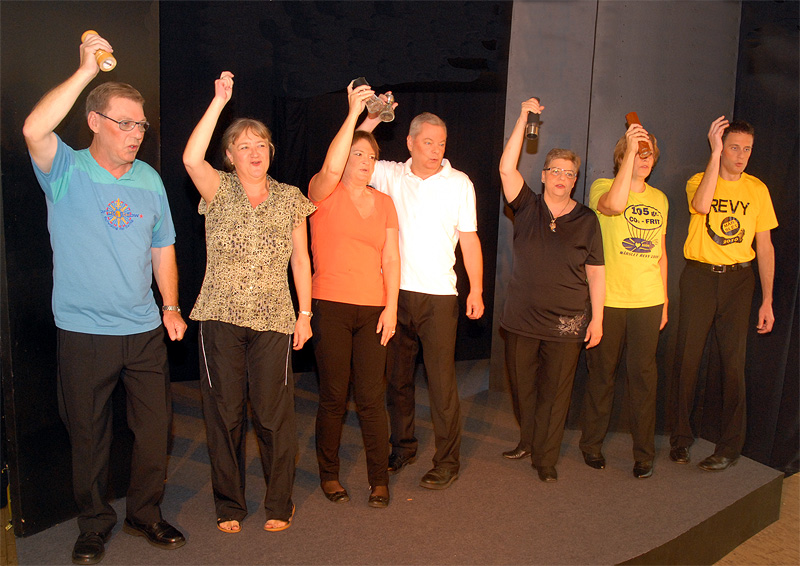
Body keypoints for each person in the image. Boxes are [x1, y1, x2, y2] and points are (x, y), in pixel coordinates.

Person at [22, 32, 186, 564]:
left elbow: (163, 246)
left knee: (155, 431)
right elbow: (33, 128)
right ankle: (93, 523)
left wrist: (170, 306)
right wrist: (86, 71)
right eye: (125, 123)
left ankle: (145, 512)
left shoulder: (150, 180)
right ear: (95, 121)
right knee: (89, 437)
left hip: (143, 330)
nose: (136, 133)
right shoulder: (65, 170)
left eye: (141, 125)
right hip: (85, 332)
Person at [182, 72, 314, 533]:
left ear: (271, 151)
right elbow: (190, 157)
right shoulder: (217, 189)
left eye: (261, 144)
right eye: (244, 146)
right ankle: (229, 504)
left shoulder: (291, 198)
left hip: (274, 318)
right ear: (230, 155)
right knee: (225, 413)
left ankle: (279, 502)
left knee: (274, 415)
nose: (255, 152)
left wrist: (305, 314)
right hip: (219, 315)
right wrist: (219, 103)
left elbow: (301, 260)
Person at [359, 104, 485, 490]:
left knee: (442, 383)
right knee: (397, 379)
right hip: (395, 295)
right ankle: (403, 446)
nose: (435, 149)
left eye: (441, 143)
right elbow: (350, 153)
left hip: (440, 297)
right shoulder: (390, 174)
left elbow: (469, 239)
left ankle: (447, 461)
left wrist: (476, 289)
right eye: (428, 142)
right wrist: (371, 119)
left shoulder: (459, 183)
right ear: (410, 142)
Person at [498, 98, 605, 482]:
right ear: (543, 176)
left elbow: (596, 273)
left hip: (568, 321)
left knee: (556, 394)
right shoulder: (526, 206)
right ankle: (529, 440)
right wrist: (522, 117)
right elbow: (506, 167)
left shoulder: (587, 220)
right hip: (522, 319)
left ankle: (546, 458)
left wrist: (598, 320)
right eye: (555, 170)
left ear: (575, 181)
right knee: (523, 389)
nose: (562, 177)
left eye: (569, 173)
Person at [308, 82, 400, 508]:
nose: (365, 162)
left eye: (371, 157)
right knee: (333, 397)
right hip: (331, 305)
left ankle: (379, 480)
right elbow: (332, 165)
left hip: (373, 308)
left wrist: (391, 308)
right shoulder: (322, 192)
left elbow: (392, 259)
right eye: (357, 155)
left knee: (370, 399)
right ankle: (329, 474)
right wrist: (353, 116)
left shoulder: (384, 203)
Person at [669, 117, 777, 471]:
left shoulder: (757, 189)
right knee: (688, 360)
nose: (741, 155)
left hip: (738, 281)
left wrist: (768, 300)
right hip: (699, 277)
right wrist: (715, 155)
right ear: (720, 147)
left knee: (733, 365)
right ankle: (680, 439)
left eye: (747, 149)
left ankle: (730, 447)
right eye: (734, 147)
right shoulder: (700, 180)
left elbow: (765, 246)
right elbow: (701, 206)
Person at [579, 123, 669, 479]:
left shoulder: (660, 199)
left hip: (648, 300)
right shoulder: (603, 187)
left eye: (650, 155)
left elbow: (661, 253)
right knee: (602, 376)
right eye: (639, 153)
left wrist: (664, 301)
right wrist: (632, 151)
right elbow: (615, 206)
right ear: (622, 155)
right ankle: (591, 445)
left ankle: (644, 454)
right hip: (610, 300)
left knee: (644, 379)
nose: (645, 160)